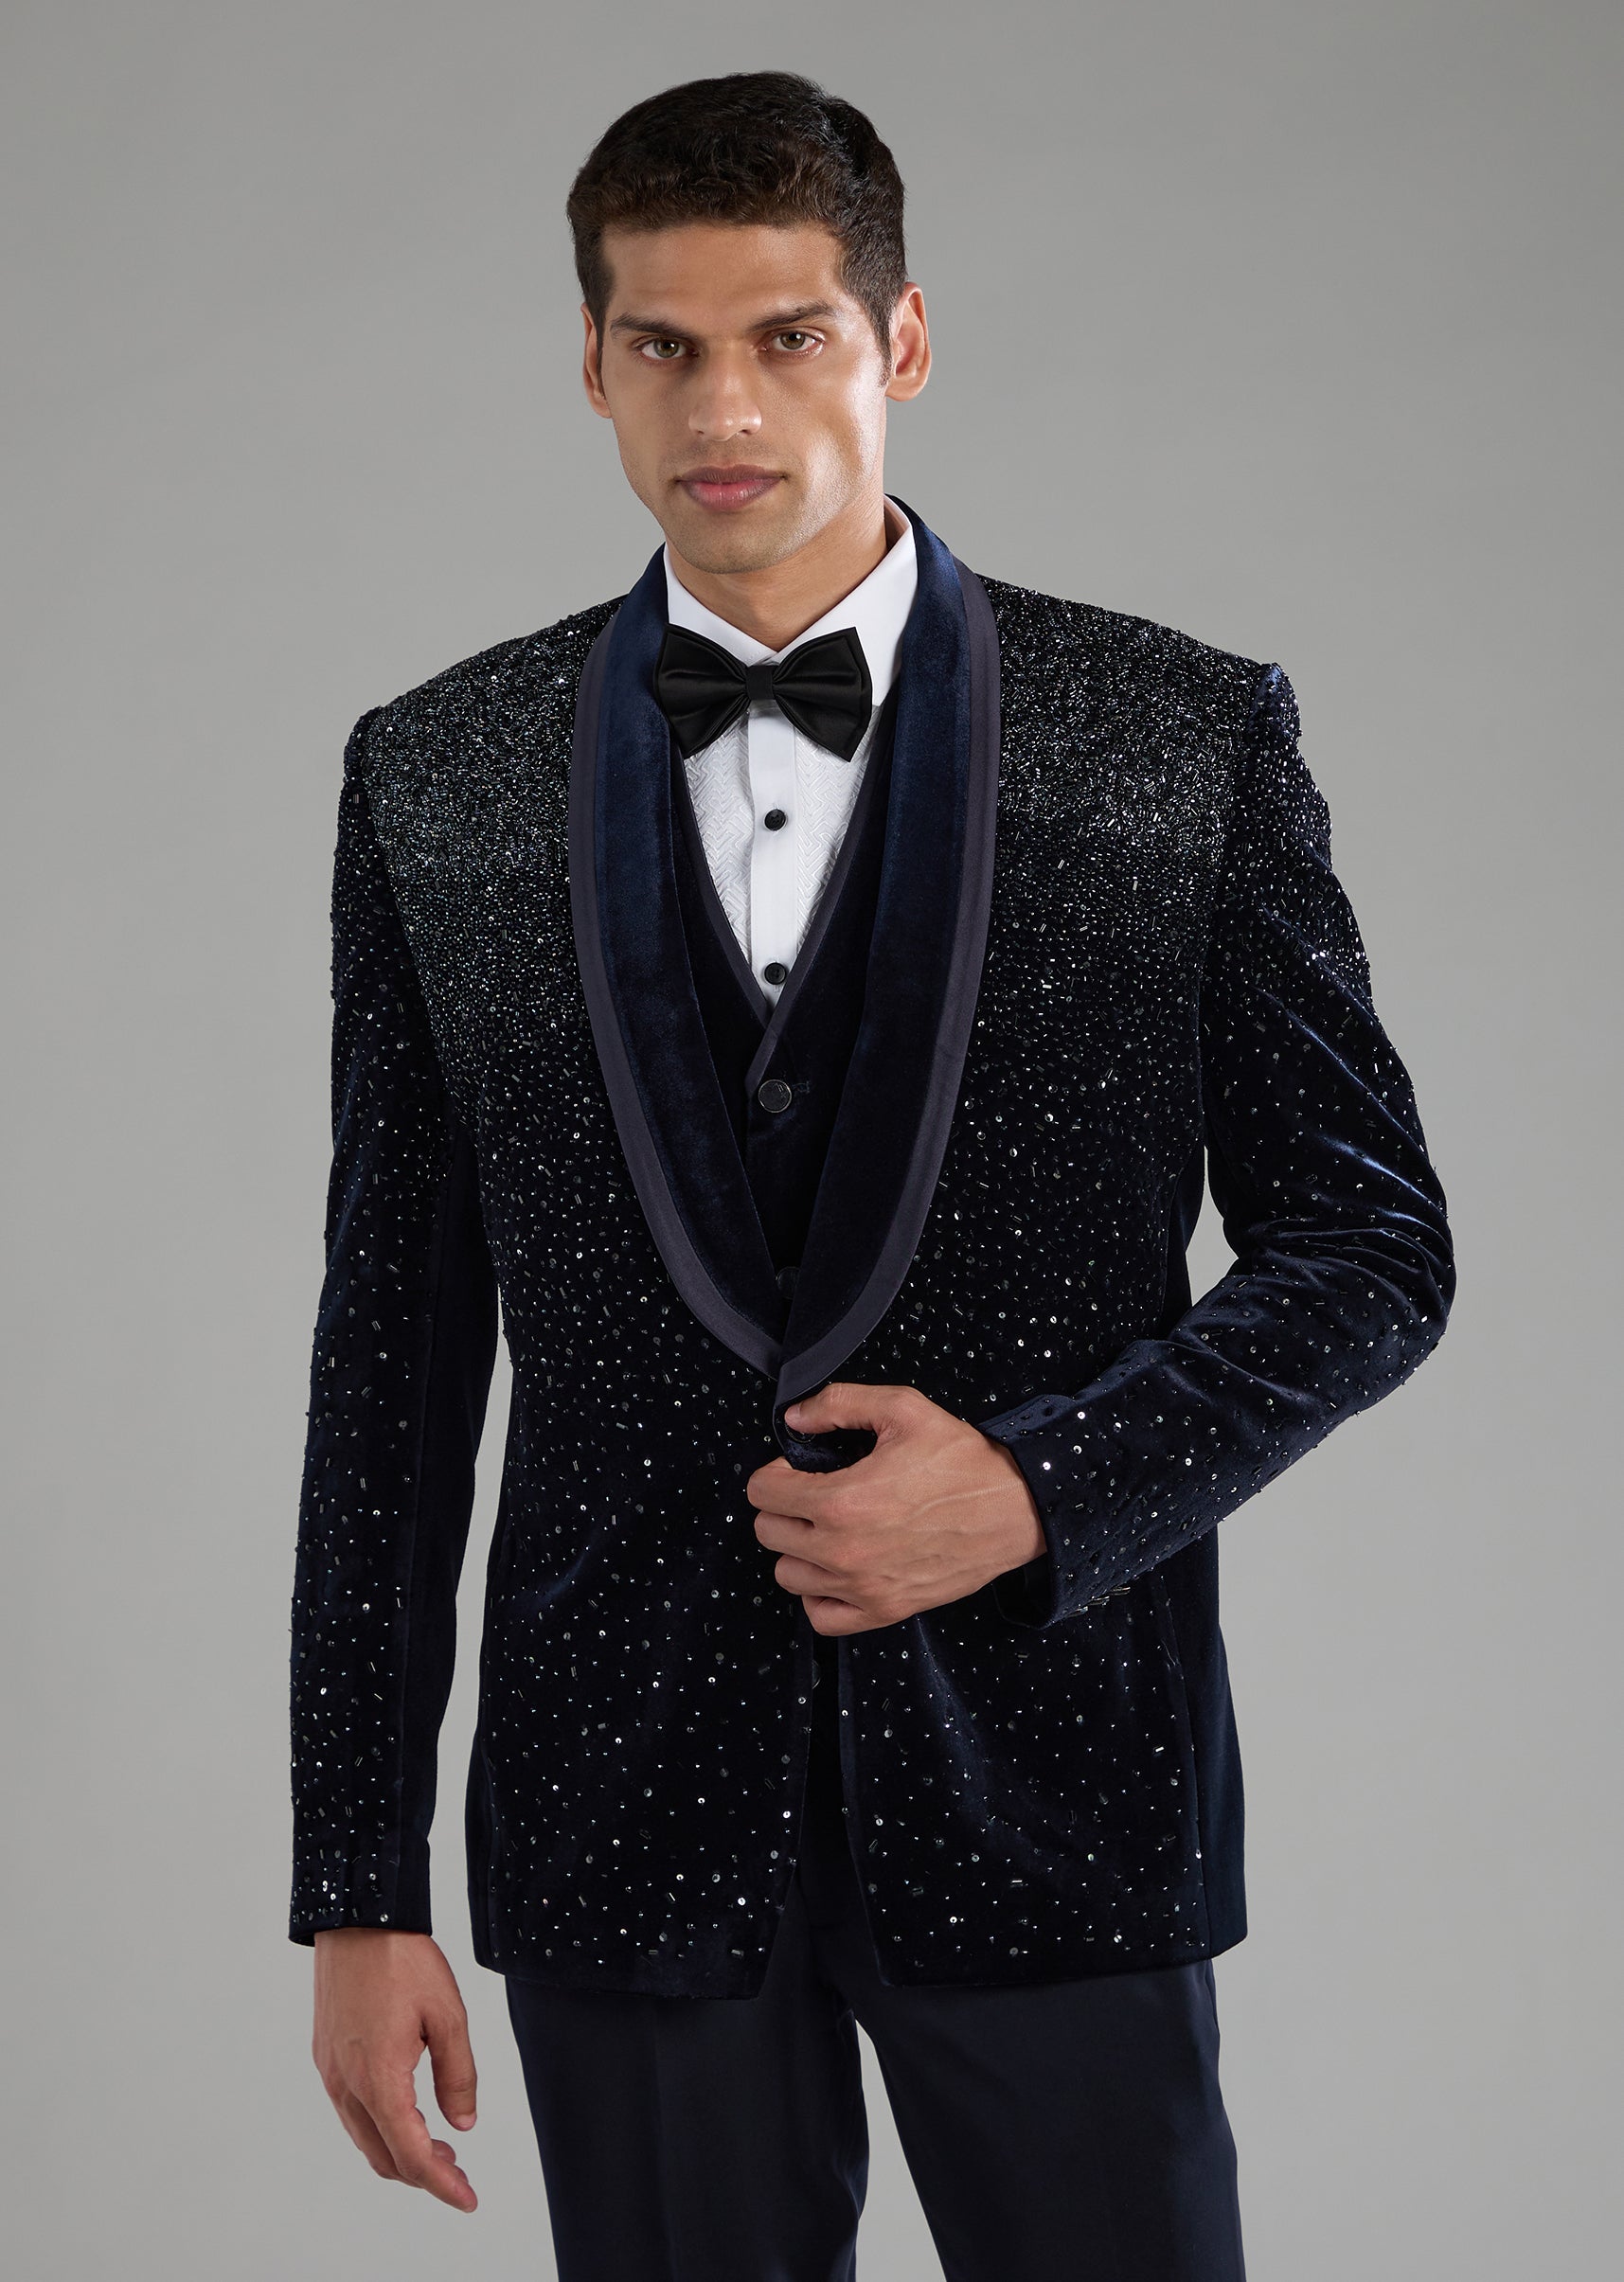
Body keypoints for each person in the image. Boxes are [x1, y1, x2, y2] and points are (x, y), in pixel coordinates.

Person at [290, 69, 1454, 2281]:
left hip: (1059, 1773)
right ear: (594, 363)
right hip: (622, 1807)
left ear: (900, 340)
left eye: (789, 335)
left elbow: (1374, 1244)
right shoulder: (434, 775)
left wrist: (1041, 1486)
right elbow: (391, 1360)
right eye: (665, 343)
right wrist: (356, 1877)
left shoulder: (1176, 738)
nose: (725, 404)